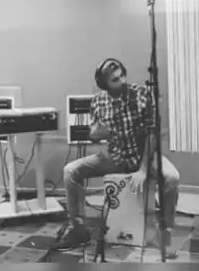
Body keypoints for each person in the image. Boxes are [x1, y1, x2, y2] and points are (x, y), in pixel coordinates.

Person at [54, 58, 181, 256]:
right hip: (115, 156)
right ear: (104, 84)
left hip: (143, 156)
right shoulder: (98, 101)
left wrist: (143, 170)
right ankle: (78, 228)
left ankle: (165, 232)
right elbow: (94, 133)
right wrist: (97, 133)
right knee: (71, 171)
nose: (122, 81)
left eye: (122, 76)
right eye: (115, 79)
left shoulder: (142, 94)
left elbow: (152, 134)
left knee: (172, 178)